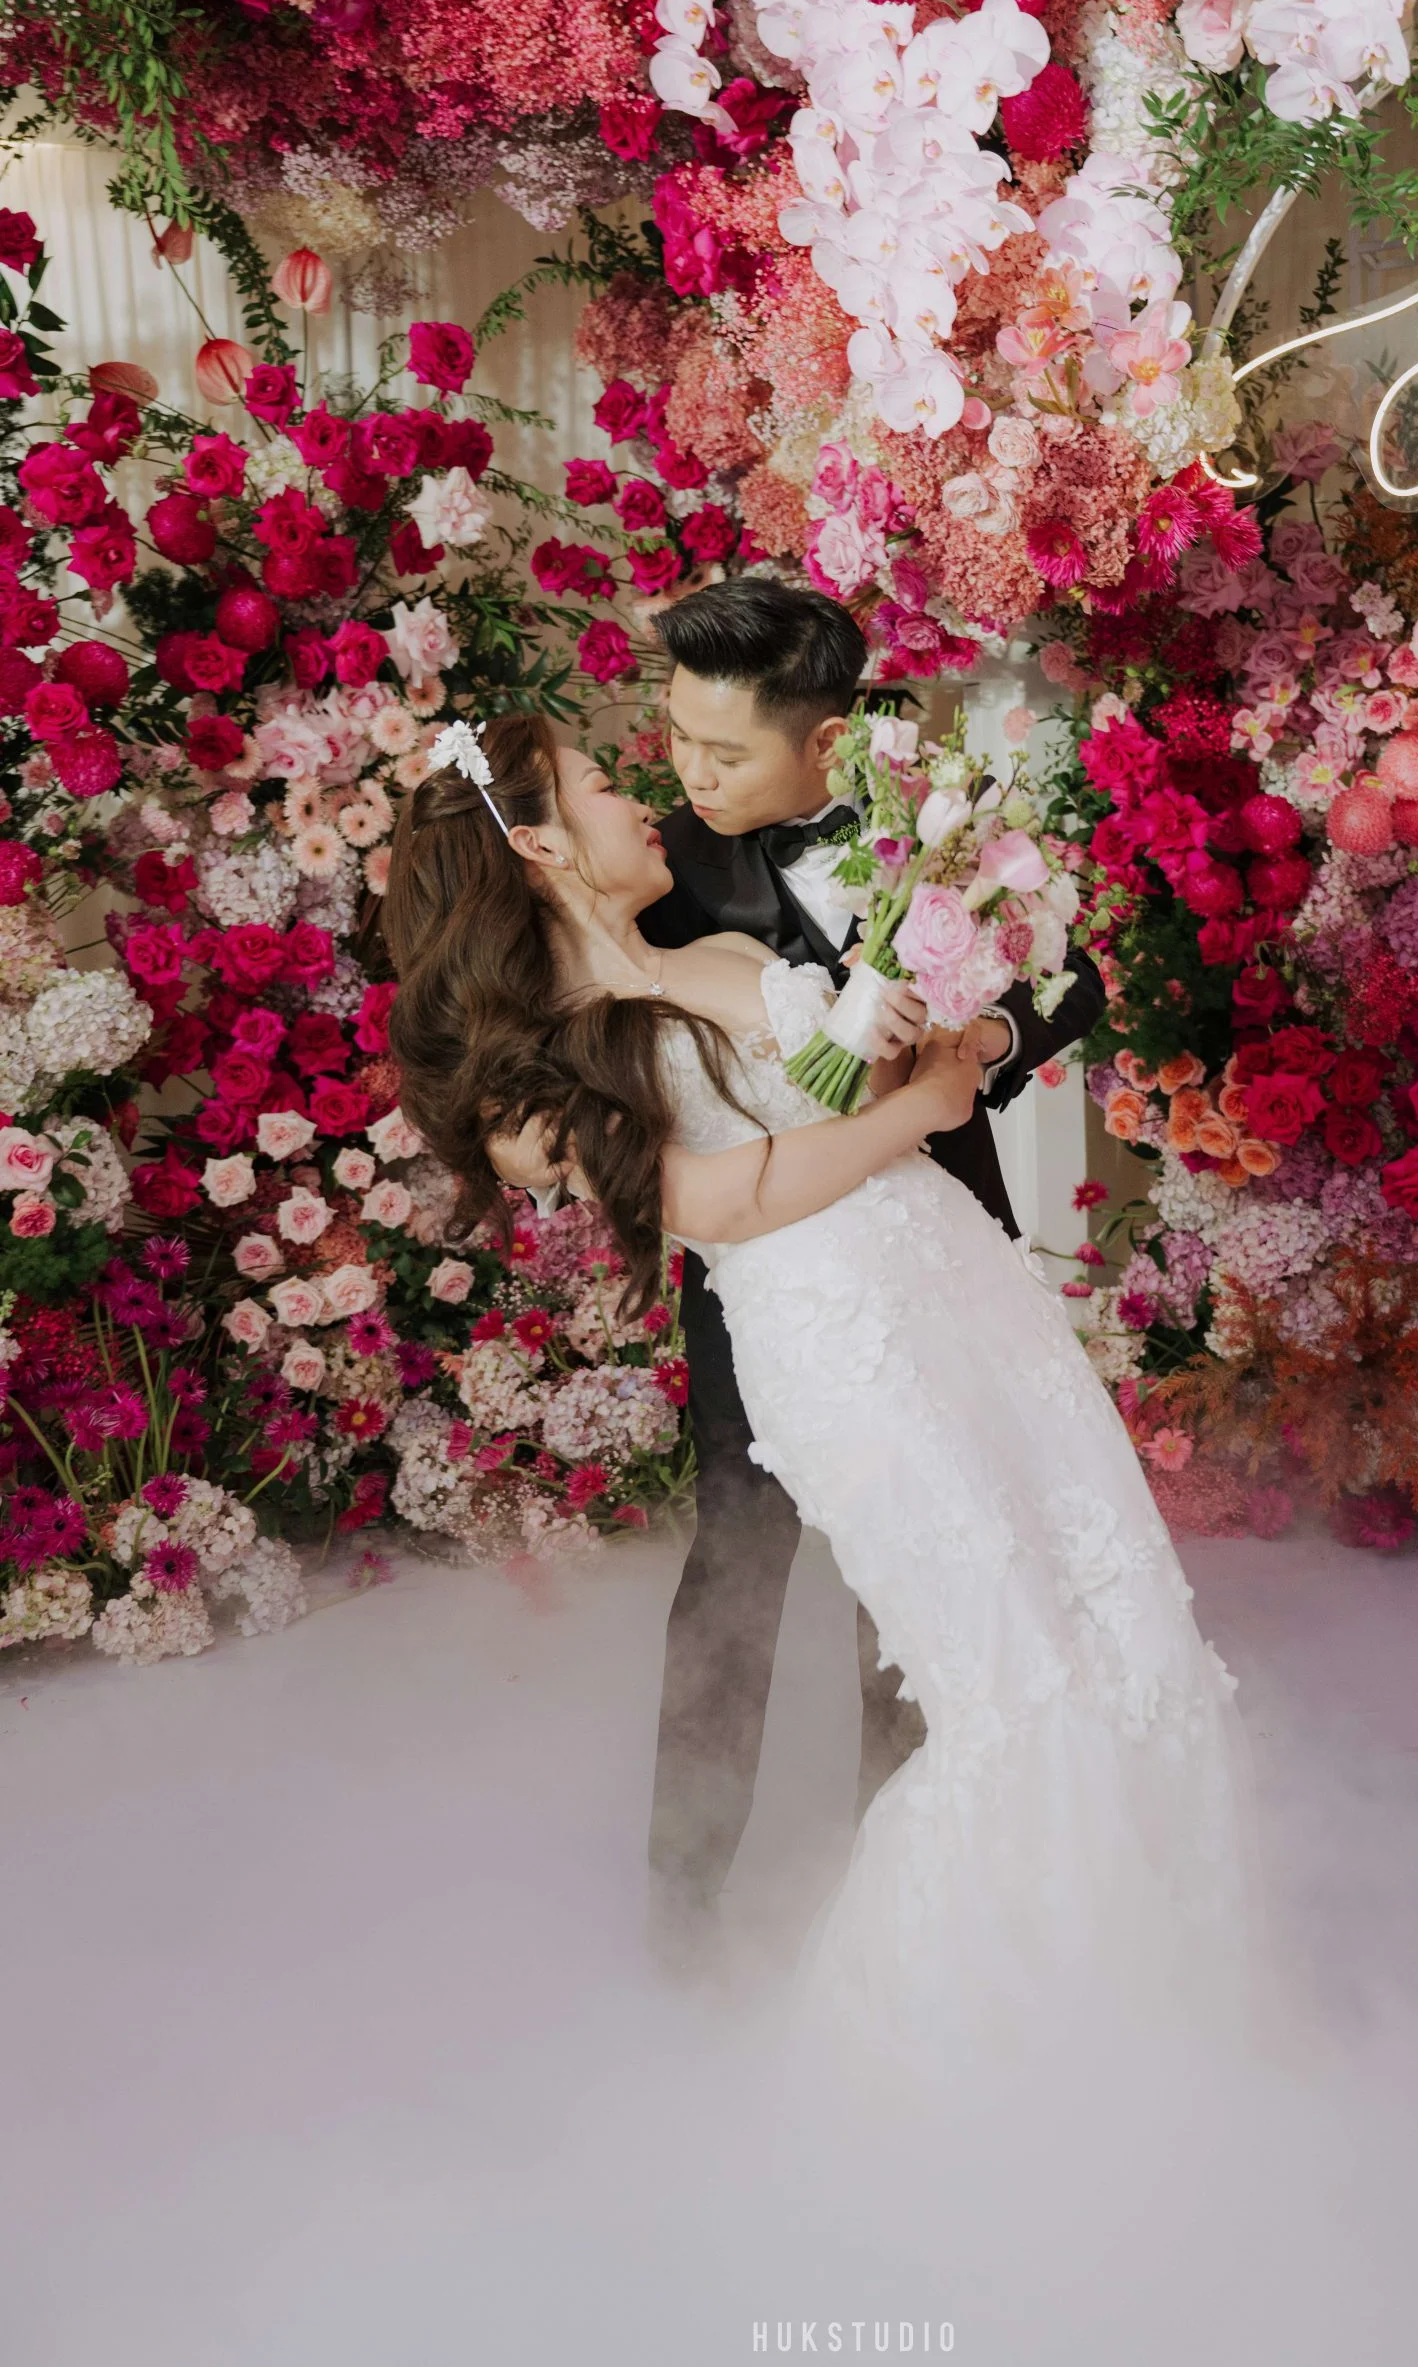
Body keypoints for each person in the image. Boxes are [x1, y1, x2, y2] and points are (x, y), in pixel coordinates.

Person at [382, 713, 1262, 2067]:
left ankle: (1176, 2003)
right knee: (1007, 1678)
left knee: (1121, 1627)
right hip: (847, 1351)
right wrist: (908, 1115)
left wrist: (934, 1012)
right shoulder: (542, 1059)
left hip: (967, 1299)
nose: (643, 793)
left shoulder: (723, 957)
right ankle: (987, 2056)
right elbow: (714, 1201)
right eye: (602, 783)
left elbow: (851, 1092)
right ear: (541, 843)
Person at [633, 578, 1106, 1947]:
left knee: (927, 1565)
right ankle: (682, 1910)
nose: (690, 774)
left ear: (830, 743)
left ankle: (897, 1901)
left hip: (933, 1246)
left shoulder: (939, 827)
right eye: (677, 738)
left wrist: (988, 1041)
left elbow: (1066, 974)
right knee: (735, 1562)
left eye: (723, 752)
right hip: (771, 1278)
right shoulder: (662, 876)